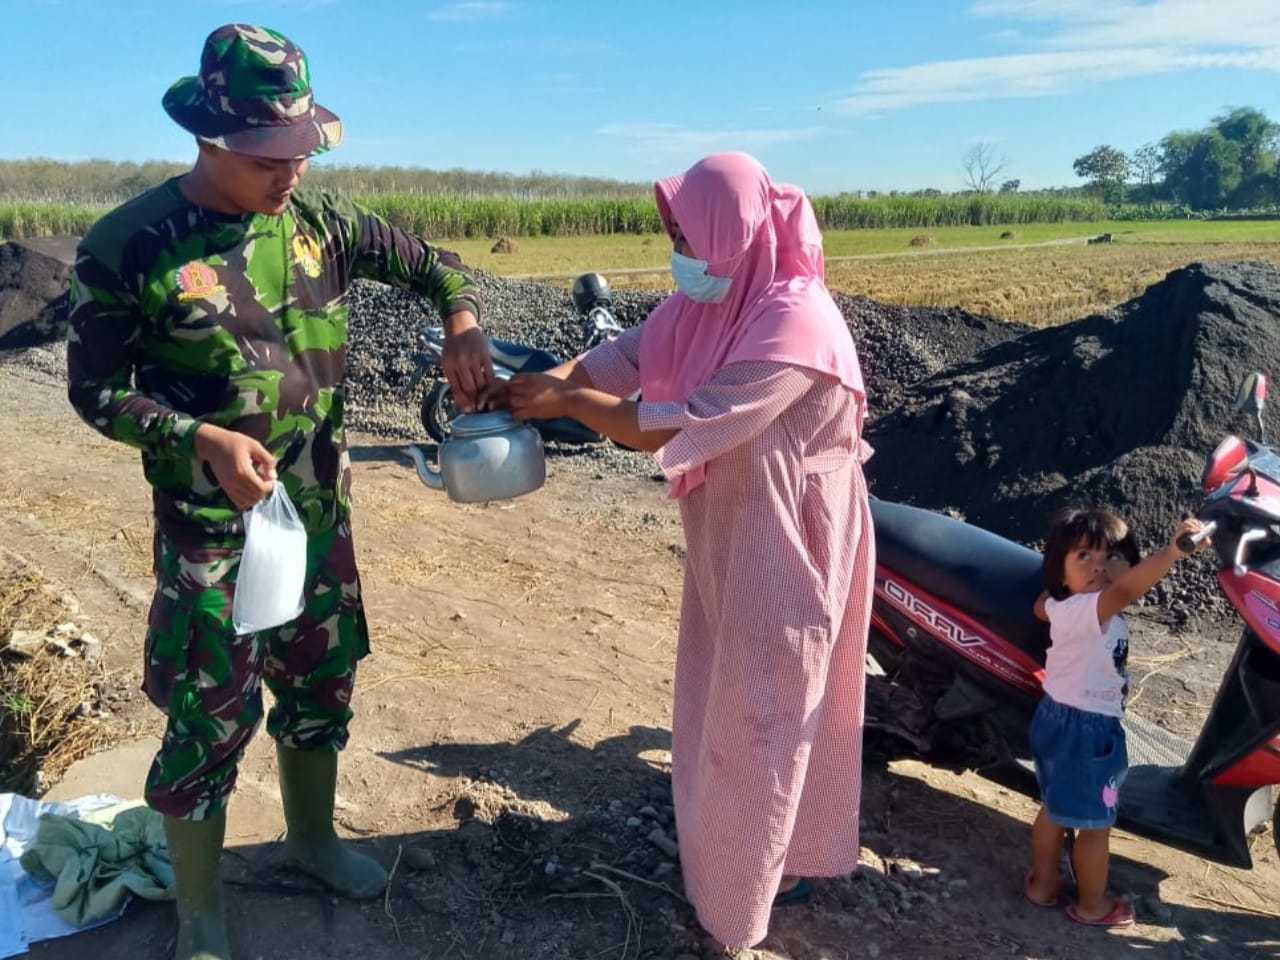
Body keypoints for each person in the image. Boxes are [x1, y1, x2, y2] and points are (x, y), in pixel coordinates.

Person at [65, 23, 493, 960]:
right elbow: (94, 390)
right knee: (211, 710)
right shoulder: (130, 244)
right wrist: (198, 437)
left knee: (322, 676)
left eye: (301, 149)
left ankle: (310, 840)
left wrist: (460, 319)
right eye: (269, 155)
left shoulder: (323, 225)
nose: (290, 171)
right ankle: (202, 911)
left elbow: (437, 264)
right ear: (211, 139)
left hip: (318, 515)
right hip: (210, 531)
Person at [492, 151, 874, 950]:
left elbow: (668, 423)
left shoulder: (795, 321)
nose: (679, 249)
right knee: (731, 690)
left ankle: (751, 895)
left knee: (771, 701)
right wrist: (544, 384)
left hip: (792, 532)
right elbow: (623, 358)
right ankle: (748, 857)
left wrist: (566, 402)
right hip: (737, 525)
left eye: (687, 233)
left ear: (733, 232)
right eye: (672, 231)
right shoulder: (717, 299)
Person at [1025, 508, 1208, 927]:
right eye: (1084, 557)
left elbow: (1042, 605)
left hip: (1054, 717)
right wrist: (1174, 550)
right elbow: (1127, 589)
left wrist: (1058, 588)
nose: (1100, 568)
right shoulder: (1093, 609)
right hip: (1089, 733)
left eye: (1112, 557)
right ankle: (1092, 905)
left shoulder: (1061, 605)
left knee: (1053, 808)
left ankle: (1042, 885)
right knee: (1094, 825)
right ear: (1061, 570)